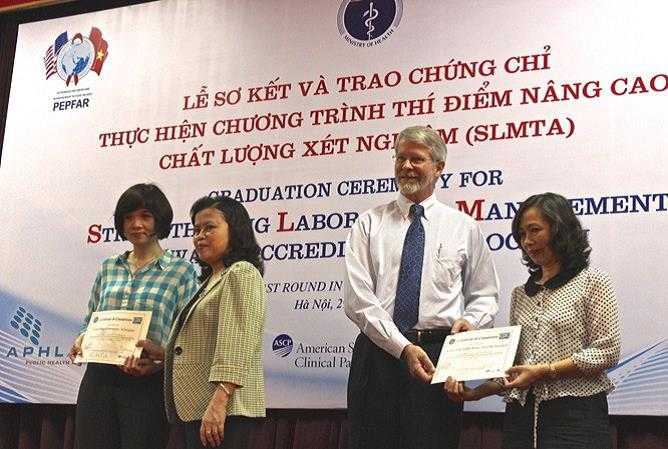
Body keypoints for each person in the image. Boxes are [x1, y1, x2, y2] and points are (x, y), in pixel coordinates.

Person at [344, 125, 500, 449]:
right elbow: (358, 300)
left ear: (439, 167)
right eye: (400, 158)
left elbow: (485, 295)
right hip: (379, 356)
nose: (406, 167)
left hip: (438, 358)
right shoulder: (368, 224)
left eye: (417, 159)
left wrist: (471, 323)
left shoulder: (463, 227)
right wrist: (401, 347)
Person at [444, 192, 621, 449]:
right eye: (521, 235)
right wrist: (475, 392)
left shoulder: (593, 282)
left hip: (577, 417)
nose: (527, 241)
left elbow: (607, 351)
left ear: (560, 230)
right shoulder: (520, 294)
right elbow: (515, 368)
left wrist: (544, 371)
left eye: (534, 230)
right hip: (521, 419)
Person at [68, 183, 199, 449]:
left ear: (159, 220)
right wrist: (82, 338)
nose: (136, 224)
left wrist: (159, 363)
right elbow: (90, 318)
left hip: (147, 382)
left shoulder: (182, 271)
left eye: (145, 216)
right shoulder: (108, 268)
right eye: (128, 218)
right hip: (98, 380)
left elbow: (188, 336)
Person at [137, 195, 266, 449]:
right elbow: (201, 345)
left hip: (223, 408)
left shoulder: (241, 272)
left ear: (235, 230)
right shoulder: (211, 279)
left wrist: (220, 400)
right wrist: (164, 354)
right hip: (199, 406)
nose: (200, 236)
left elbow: (237, 343)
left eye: (209, 227)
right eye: (196, 230)